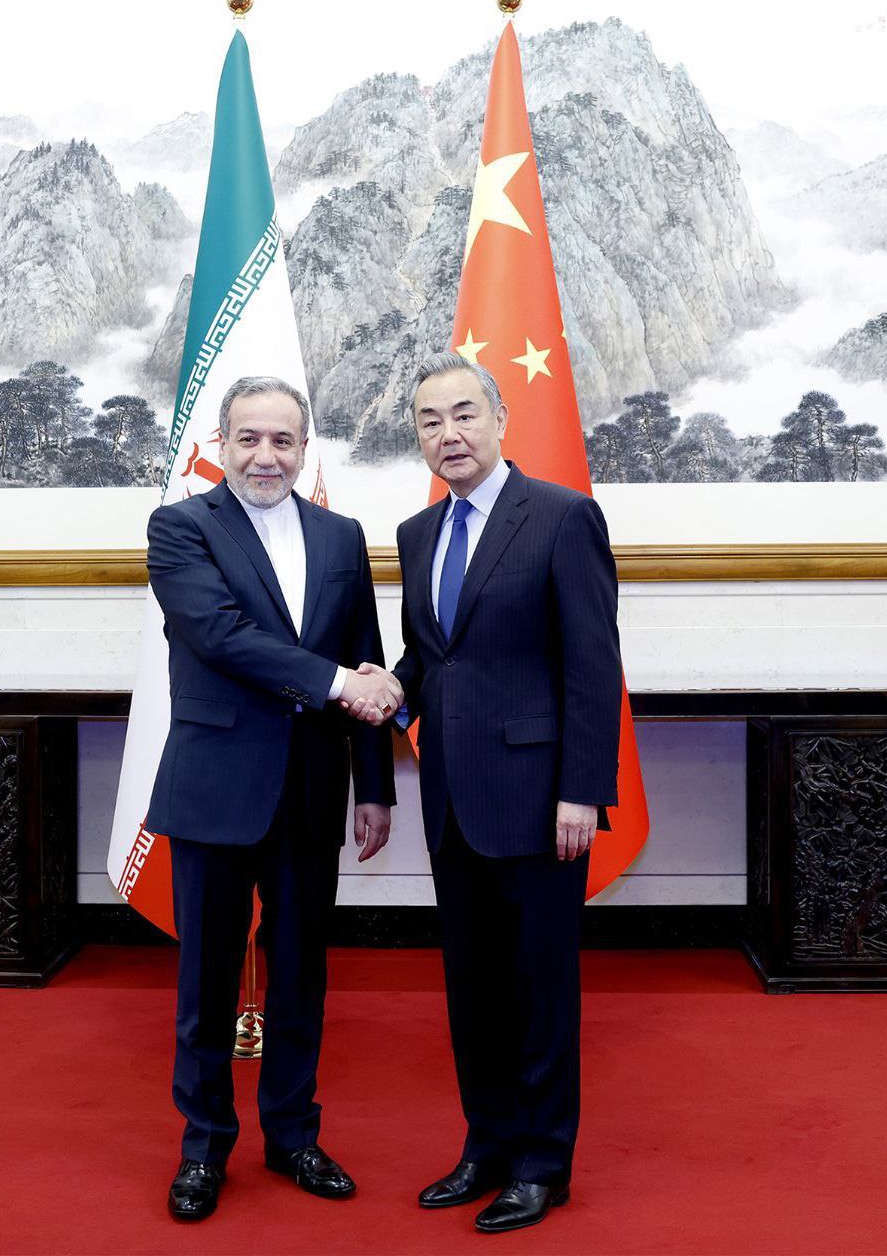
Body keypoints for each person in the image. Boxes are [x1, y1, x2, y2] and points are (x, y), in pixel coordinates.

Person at [352, 350, 622, 1234]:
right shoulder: (417, 535)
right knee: (471, 987)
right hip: (453, 803)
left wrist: (581, 790)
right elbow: (437, 661)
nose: (448, 434)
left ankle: (543, 1164)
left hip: (545, 803)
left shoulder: (561, 517)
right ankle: (487, 1145)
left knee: (539, 990)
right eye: (429, 421)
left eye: (463, 414)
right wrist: (381, 691)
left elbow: (591, 666)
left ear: (500, 419)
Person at [145, 375, 402, 1222]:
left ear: (304, 448)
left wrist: (374, 786)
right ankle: (202, 1149)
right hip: (216, 787)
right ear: (220, 444)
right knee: (207, 980)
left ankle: (293, 1136)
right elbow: (218, 636)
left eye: (283, 440)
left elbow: (365, 653)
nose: (266, 455)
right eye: (249, 438)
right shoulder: (181, 528)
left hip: (310, 790)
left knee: (301, 975)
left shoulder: (340, 535)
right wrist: (339, 684)